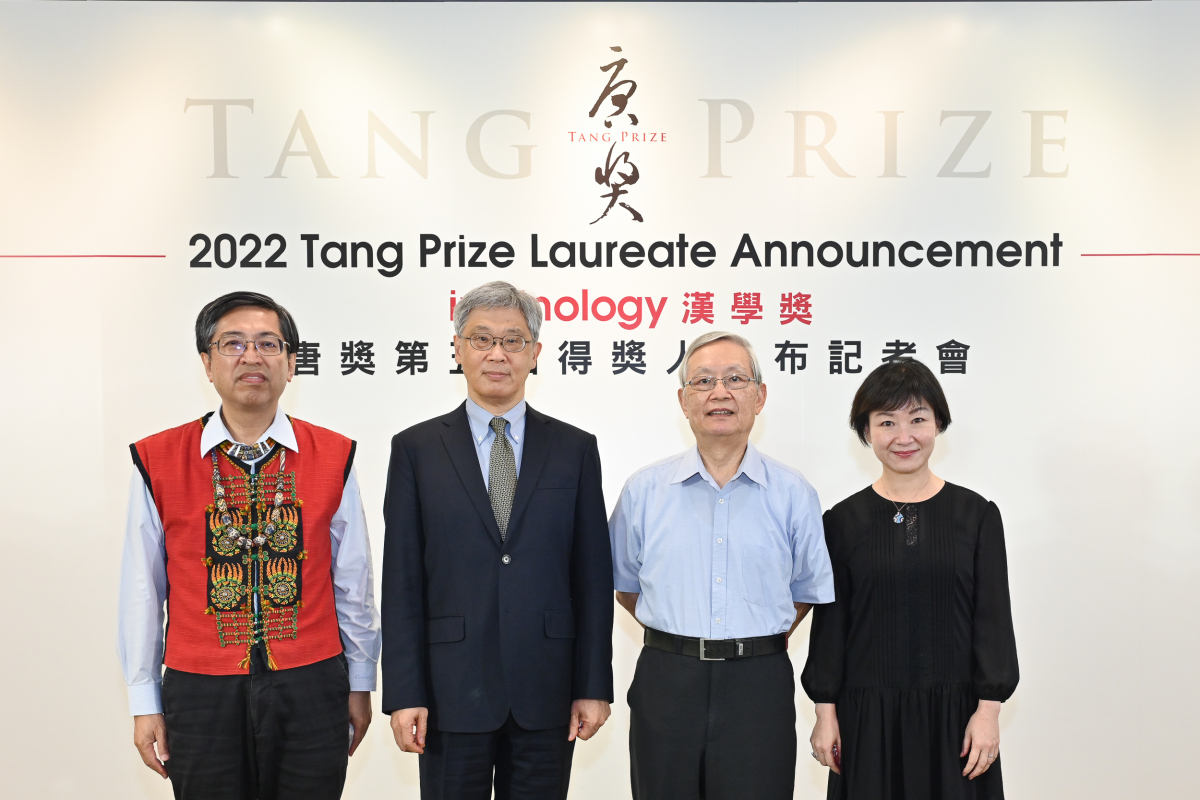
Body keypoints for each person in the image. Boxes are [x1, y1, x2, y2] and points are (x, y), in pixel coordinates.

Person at [117, 291, 380, 799]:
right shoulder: (158, 459)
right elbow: (141, 590)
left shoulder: (333, 454)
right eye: (232, 344)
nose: (252, 357)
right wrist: (144, 699)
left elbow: (354, 580)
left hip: (313, 682)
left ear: (291, 363)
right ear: (207, 364)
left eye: (268, 344)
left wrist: (360, 680)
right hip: (199, 688)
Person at [381, 280, 613, 800]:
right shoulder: (416, 449)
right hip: (447, 692)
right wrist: (404, 692)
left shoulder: (575, 449)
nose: (497, 354)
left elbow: (593, 576)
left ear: (535, 353)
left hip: (547, 691)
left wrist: (592, 685)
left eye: (513, 340)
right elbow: (401, 581)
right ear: (458, 349)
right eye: (481, 339)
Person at [609, 331, 835, 800]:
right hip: (667, 681)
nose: (720, 393)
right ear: (683, 400)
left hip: (758, 684)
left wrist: (750, 639)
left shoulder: (794, 494)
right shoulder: (643, 491)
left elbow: (806, 591)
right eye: (703, 381)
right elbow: (626, 586)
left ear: (760, 395)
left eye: (735, 379)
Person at [802, 358, 1019, 800]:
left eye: (917, 419)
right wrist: (826, 713)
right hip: (866, 719)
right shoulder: (841, 522)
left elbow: (993, 620)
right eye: (887, 422)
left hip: (956, 720)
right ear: (866, 432)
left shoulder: (976, 516)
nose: (904, 437)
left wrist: (988, 712)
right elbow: (831, 628)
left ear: (938, 423)